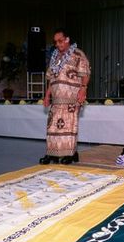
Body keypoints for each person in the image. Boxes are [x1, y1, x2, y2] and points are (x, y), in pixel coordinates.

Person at [39, 28, 90, 165]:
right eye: (55, 42)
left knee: (69, 126)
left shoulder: (78, 54)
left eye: (60, 41)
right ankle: (52, 154)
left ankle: (70, 153)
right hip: (56, 100)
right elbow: (51, 78)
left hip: (71, 99)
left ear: (67, 40)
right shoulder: (55, 57)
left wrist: (83, 90)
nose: (57, 44)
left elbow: (85, 74)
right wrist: (47, 95)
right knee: (52, 127)